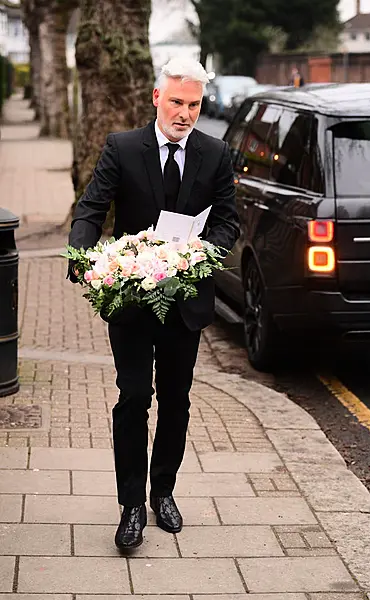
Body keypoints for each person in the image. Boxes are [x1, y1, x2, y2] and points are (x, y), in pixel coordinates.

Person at [67, 57, 240, 550]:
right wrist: (82, 254)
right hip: (130, 301)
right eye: (178, 102)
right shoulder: (122, 147)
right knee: (134, 399)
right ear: (156, 98)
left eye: (195, 104)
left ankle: (163, 492)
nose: (185, 113)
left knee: (176, 402)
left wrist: (202, 251)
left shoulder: (216, 153)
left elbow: (229, 222)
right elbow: (92, 208)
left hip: (185, 303)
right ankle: (130, 506)